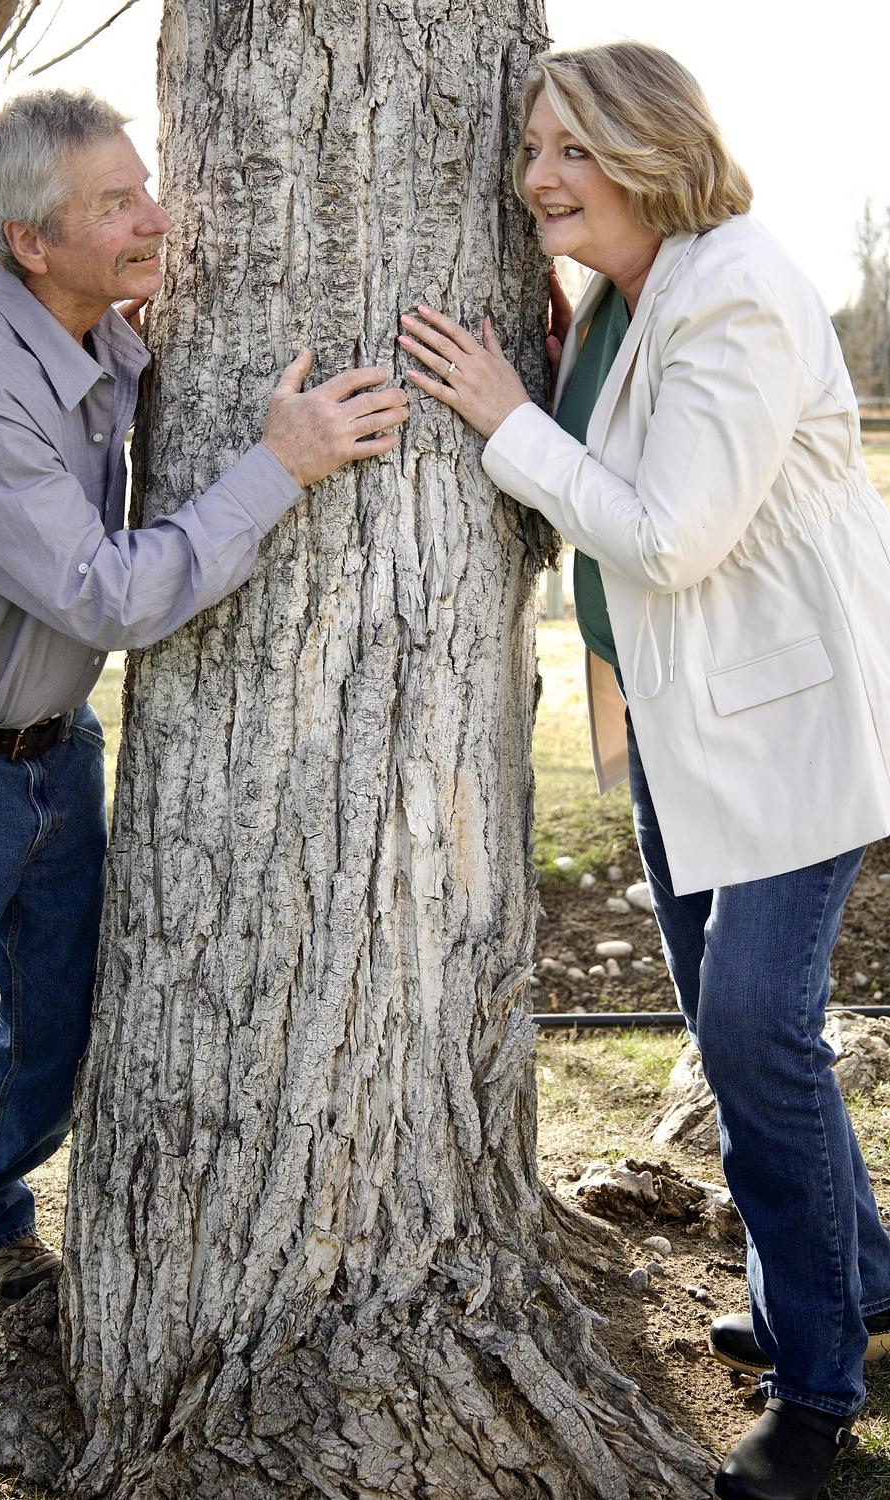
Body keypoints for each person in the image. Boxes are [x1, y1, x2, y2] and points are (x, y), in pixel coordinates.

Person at [399, 39, 890, 1500]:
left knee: (754, 1036)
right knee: (736, 1032)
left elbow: (669, 535)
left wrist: (506, 417)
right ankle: (863, 1278)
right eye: (532, 148)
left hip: (790, 729)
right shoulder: (622, 297)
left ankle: (817, 1387)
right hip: (681, 728)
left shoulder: (735, 289)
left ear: (654, 150)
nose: (539, 176)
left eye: (574, 148)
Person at [0, 86, 408, 1471]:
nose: (157, 219)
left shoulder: (99, 334)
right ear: (29, 241)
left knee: (54, 1034)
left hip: (52, 753)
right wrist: (279, 466)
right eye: (115, 204)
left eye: (144, 186)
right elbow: (107, 594)